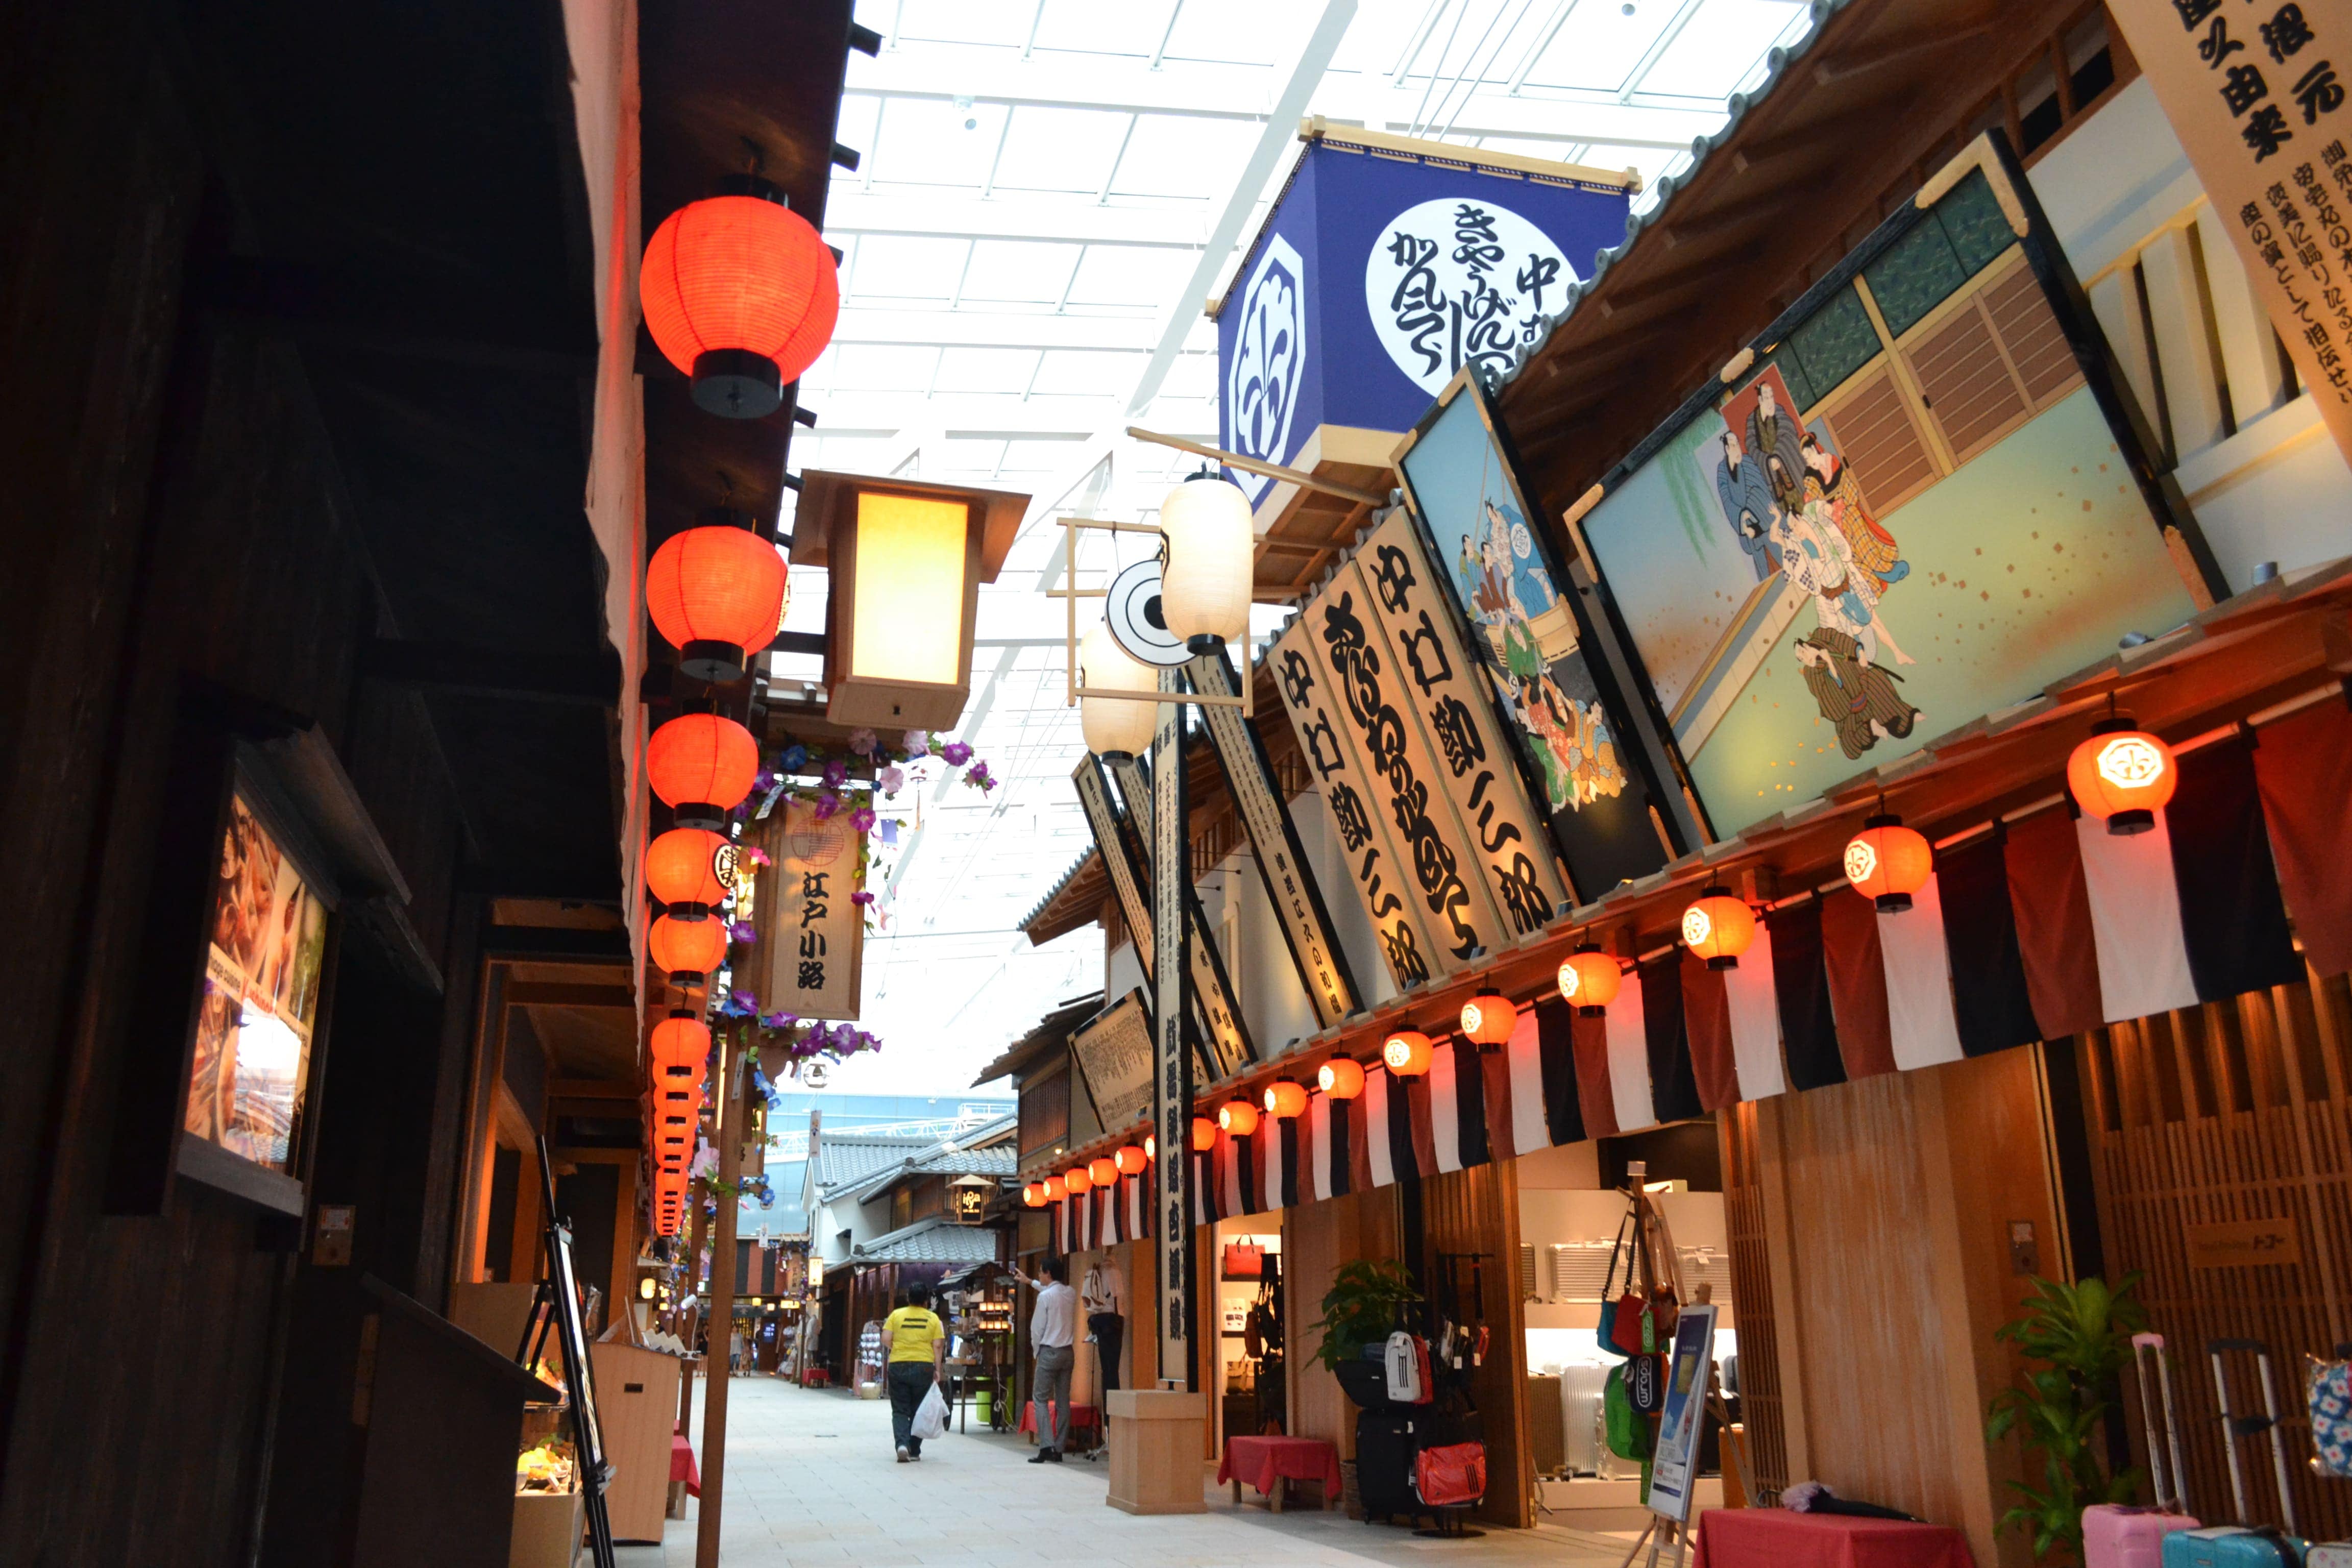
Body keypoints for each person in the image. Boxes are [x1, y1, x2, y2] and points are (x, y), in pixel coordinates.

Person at [1011, 1256, 1076, 1463]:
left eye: (1041, 1272)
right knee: (1063, 1401)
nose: (1039, 1274)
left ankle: (1046, 1446)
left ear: (1048, 1273)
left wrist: (1036, 1350)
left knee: (1040, 1399)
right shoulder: (1070, 1293)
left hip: (1049, 1350)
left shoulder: (1045, 1298)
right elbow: (1050, 1291)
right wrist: (1030, 1281)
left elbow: (1037, 1328)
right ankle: (1059, 1447)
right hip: (1068, 1352)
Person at [880, 1287, 946, 1462]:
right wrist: (937, 1370)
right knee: (920, 1410)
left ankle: (902, 1445)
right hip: (924, 1366)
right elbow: (938, 1346)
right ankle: (915, 1450)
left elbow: (886, 1338)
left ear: (908, 1298)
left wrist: (899, 1349)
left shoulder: (896, 1315)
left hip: (898, 1365)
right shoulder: (933, 1318)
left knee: (900, 1409)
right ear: (926, 1301)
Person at [1081, 1255, 1126, 1396]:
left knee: (1106, 1369)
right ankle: (1113, 1406)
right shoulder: (1113, 1271)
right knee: (1113, 1368)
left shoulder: (1097, 1269)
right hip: (1113, 1320)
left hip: (1099, 1320)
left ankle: (1107, 1406)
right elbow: (1119, 1295)